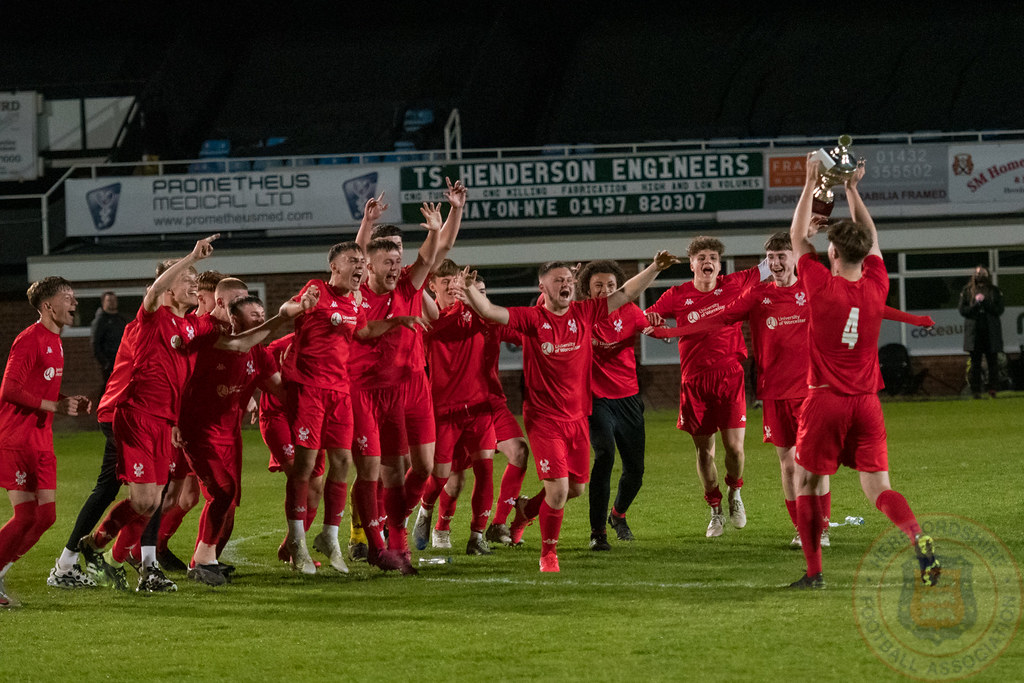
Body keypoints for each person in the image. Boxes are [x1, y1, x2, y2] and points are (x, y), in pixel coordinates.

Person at [649, 232, 935, 548]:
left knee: (812, 463)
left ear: (795, 258)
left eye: (782, 256)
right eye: (771, 258)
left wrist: (907, 321)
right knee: (787, 465)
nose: (776, 263)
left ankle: (821, 530)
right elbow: (718, 320)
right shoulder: (758, 295)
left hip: (814, 393)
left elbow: (860, 306)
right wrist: (672, 331)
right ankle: (802, 529)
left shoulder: (814, 290)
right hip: (773, 392)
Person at [77, 235, 315, 593]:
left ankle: (102, 548)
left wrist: (282, 319)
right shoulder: (152, 316)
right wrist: (190, 257)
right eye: (185, 282)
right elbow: (158, 290)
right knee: (161, 498)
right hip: (145, 417)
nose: (192, 286)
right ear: (169, 290)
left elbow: (241, 344)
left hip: (171, 422)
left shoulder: (196, 327)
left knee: (158, 501)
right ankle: (131, 559)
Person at [458, 251, 679, 572]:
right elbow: (492, 311)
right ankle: (549, 554)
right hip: (544, 419)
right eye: (557, 280)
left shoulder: (586, 313)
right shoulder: (533, 319)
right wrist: (468, 292)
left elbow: (627, 293)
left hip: (577, 416)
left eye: (568, 280)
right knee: (559, 490)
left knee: (575, 488)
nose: (565, 284)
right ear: (542, 287)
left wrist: (655, 268)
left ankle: (525, 511)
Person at [787, 153, 939, 589]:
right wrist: (852, 188)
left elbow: (798, 236)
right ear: (863, 254)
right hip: (868, 402)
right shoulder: (877, 284)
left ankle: (814, 572)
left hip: (824, 401)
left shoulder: (819, 283)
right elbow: (871, 238)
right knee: (878, 488)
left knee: (808, 481)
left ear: (832, 252)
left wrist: (810, 182)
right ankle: (917, 538)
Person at [280, 240, 425, 575]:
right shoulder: (316, 289)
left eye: (362, 261)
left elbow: (364, 331)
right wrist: (301, 306)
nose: (359, 266)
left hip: (341, 393)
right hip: (310, 391)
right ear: (334, 266)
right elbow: (286, 311)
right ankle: (297, 541)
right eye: (352, 260)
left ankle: (330, 536)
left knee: (343, 463)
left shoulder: (354, 302)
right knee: (304, 466)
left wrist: (397, 321)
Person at [645, 237, 770, 538]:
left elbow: (773, 264)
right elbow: (648, 320)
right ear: (691, 264)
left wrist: (806, 228)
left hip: (730, 375)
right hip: (695, 381)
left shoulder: (736, 283)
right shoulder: (677, 295)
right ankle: (715, 510)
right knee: (704, 453)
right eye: (701, 256)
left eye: (712, 256)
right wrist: (658, 329)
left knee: (736, 450)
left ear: (719, 264)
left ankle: (735, 495)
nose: (707, 261)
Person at [178, 293, 283, 586]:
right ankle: (161, 555)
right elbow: (237, 345)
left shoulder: (259, 352)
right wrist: (285, 317)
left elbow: (282, 391)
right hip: (197, 431)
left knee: (228, 499)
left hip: (229, 435)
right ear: (233, 318)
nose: (261, 320)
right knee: (213, 492)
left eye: (263, 314)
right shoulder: (214, 339)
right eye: (254, 316)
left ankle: (205, 561)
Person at [0, 277, 93, 607]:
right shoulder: (30, 339)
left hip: (40, 440)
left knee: (46, 517)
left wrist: (65, 399)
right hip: (16, 439)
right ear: (47, 306)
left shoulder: (56, 341)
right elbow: (9, 390)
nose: (74, 303)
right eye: (67, 297)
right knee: (26, 516)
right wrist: (55, 406)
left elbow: (38, 388)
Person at [413, 261, 496, 555]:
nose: (451, 286)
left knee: (485, 470)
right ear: (432, 286)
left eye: (454, 280)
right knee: (442, 477)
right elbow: (435, 320)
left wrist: (471, 293)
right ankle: (425, 511)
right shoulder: (428, 318)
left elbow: (493, 316)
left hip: (479, 406)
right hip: (443, 409)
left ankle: (477, 536)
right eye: (444, 281)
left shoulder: (474, 310)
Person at [156, 269, 230, 571]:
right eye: (220, 298)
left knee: (187, 497)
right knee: (168, 493)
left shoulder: (212, 327)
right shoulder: (190, 328)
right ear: (203, 297)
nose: (226, 303)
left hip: (199, 423)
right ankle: (139, 548)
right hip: (179, 422)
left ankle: (156, 546)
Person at [577, 260, 653, 551]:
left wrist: (661, 329)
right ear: (587, 289)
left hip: (629, 399)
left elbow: (652, 331)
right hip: (596, 399)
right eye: (599, 285)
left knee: (635, 471)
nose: (606, 290)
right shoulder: (582, 314)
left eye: (611, 286)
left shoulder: (630, 312)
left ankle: (617, 515)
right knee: (605, 455)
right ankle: (598, 533)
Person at [259, 333, 326, 569]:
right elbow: (256, 369)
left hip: (310, 416)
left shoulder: (333, 344)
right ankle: (297, 549)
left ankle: (290, 544)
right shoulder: (280, 346)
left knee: (316, 489)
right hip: (277, 416)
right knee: (300, 476)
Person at [958, 265, 1005, 398]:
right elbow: (963, 310)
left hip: (990, 333)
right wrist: (975, 305)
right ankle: (976, 391)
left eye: (982, 274)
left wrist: (985, 304)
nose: (980, 276)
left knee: (992, 363)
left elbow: (999, 310)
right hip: (974, 334)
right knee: (975, 364)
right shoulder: (967, 291)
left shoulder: (994, 291)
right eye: (977, 274)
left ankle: (992, 389)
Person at [90, 291, 127, 393]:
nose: (112, 303)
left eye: (114, 300)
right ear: (103, 303)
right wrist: (105, 363)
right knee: (109, 388)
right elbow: (95, 344)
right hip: (110, 363)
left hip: (123, 361)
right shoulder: (100, 321)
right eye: (109, 300)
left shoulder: (121, 319)